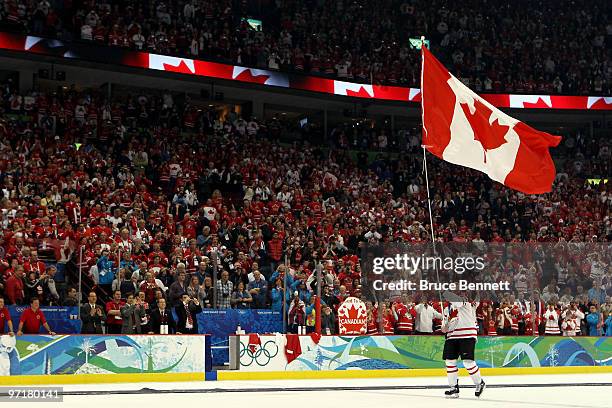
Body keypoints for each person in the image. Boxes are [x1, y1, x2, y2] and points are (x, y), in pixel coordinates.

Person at [442, 294, 485, 398]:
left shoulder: (465, 302)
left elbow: (457, 301)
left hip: (467, 334)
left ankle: (479, 383)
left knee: (468, 362)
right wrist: (445, 327)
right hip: (452, 336)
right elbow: (443, 328)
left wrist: (444, 291)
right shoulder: (446, 309)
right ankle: (454, 387)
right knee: (449, 361)